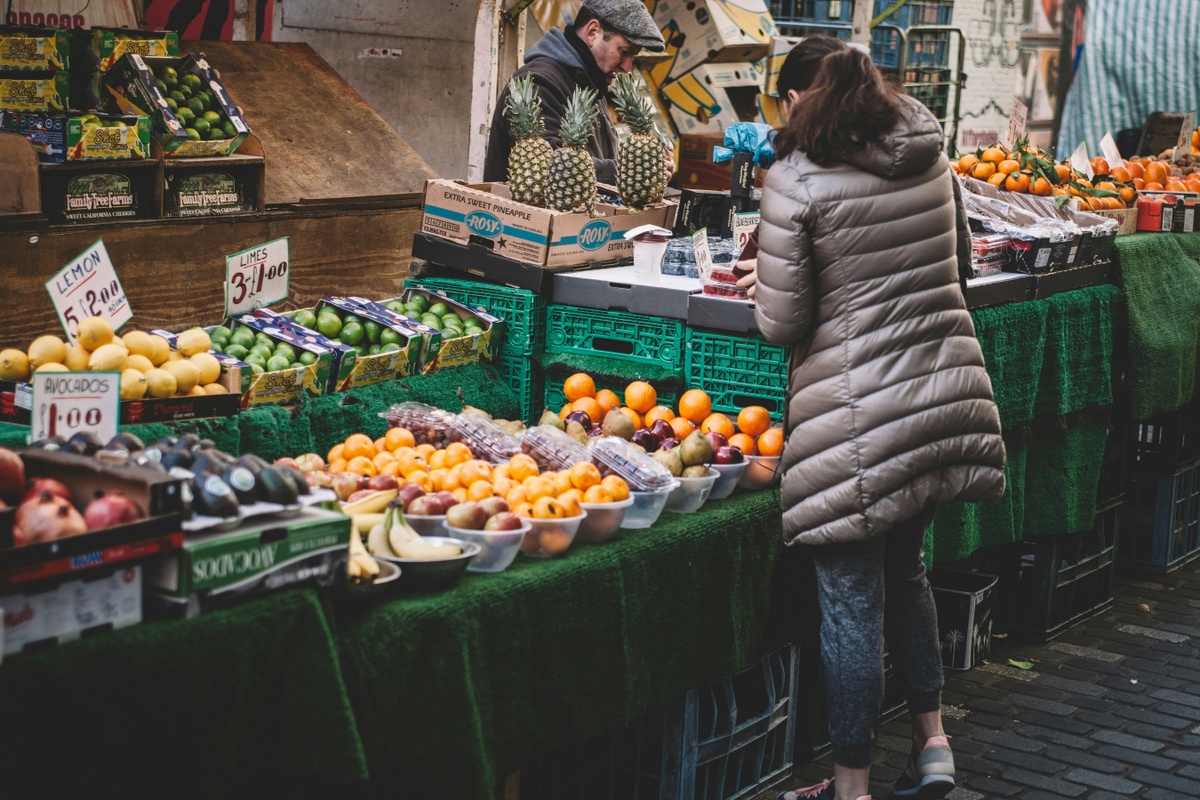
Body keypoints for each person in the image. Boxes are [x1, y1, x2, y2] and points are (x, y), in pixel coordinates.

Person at [751, 39, 1007, 800]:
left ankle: (851, 786)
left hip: (859, 421)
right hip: (940, 397)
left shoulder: (795, 180)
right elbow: (959, 258)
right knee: (908, 574)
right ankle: (934, 746)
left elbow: (780, 320)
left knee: (851, 605)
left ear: (801, 99)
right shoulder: (927, 149)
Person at [483, 0, 673, 187]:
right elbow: (547, 166)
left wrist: (647, 165)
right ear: (592, 33)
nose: (627, 67)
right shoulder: (539, 82)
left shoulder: (590, 83)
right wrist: (632, 171)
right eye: (624, 52)